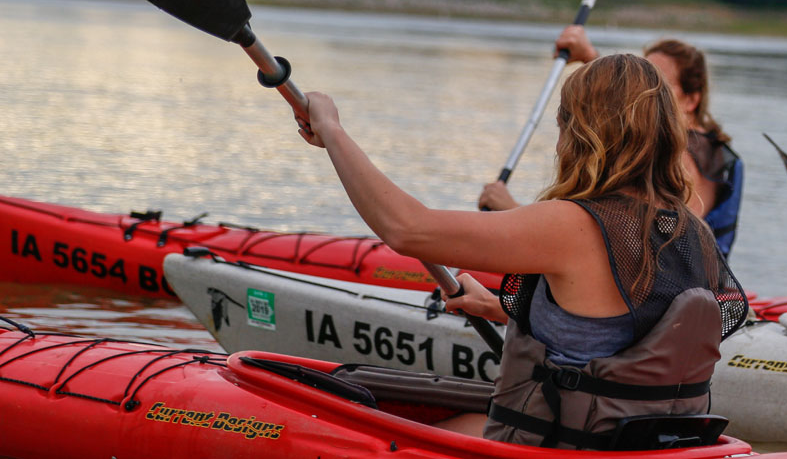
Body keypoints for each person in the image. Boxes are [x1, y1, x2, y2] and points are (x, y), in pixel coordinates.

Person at [299, 53, 748, 449]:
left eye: (563, 121)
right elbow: (624, 333)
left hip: (559, 445)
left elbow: (406, 229)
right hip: (635, 443)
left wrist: (333, 132)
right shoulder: (693, 230)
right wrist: (500, 308)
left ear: (581, 131)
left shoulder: (572, 223)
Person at [479, 26, 744, 258]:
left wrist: (511, 211)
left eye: (658, 83)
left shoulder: (689, 156)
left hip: (678, 296)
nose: (645, 89)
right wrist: (589, 56)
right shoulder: (680, 144)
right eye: (644, 77)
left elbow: (668, 249)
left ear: (690, 100)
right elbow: (621, 95)